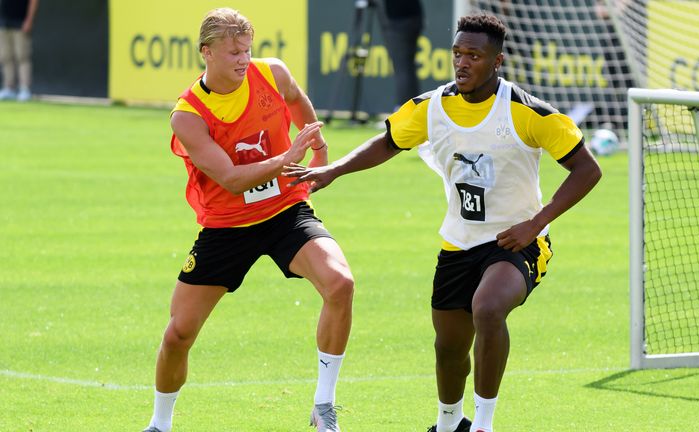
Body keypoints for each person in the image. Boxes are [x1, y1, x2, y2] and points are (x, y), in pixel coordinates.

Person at [286, 14, 601, 432]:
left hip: (517, 242)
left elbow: (587, 170)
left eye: (474, 55)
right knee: (449, 347)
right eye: (457, 53)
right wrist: (333, 170)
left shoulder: (528, 113)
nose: (462, 63)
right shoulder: (432, 107)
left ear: (497, 61)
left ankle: (484, 426)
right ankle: (449, 424)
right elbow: (387, 143)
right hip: (458, 244)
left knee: (487, 309)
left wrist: (536, 223)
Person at [142, 8, 353, 432]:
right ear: (206, 52)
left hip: (284, 213)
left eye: (247, 50)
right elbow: (232, 179)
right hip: (225, 226)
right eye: (234, 51)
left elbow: (295, 98)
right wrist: (287, 158)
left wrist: (319, 148)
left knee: (340, 283)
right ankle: (160, 424)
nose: (243, 59)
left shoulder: (271, 73)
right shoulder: (188, 115)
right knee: (178, 334)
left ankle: (323, 406)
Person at [379, 0, 423, 107]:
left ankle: (403, 109)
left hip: (399, 19)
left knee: (402, 68)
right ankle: (413, 108)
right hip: (414, 16)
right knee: (407, 68)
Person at [0, 0, 38, 101]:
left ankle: (24, 89)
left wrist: (29, 20)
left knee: (22, 57)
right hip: (3, 23)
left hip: (20, 22)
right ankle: (9, 88)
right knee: (5, 57)